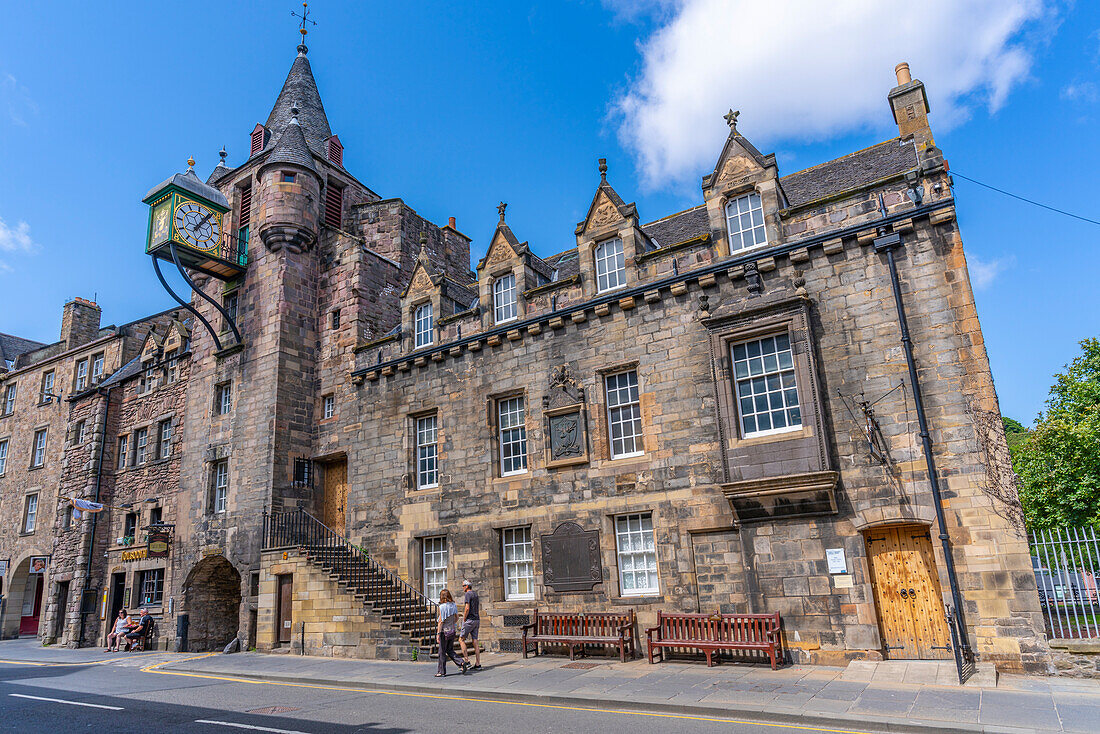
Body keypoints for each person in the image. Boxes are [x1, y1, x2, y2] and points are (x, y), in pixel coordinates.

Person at [435, 589, 467, 677]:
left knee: (442, 652)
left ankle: (441, 672)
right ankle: (461, 662)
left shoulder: (442, 607)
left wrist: (438, 634)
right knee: (449, 650)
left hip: (444, 632)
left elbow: (441, 621)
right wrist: (452, 623)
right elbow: (456, 617)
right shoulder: (453, 605)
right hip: (452, 631)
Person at [459, 579, 481, 670]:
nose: (463, 587)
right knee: (475, 641)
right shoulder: (475, 594)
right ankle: (478, 663)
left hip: (470, 620)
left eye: (463, 586)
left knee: (461, 639)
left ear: (467, 586)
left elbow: (467, 608)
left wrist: (464, 618)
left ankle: (467, 661)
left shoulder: (468, 594)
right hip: (477, 619)